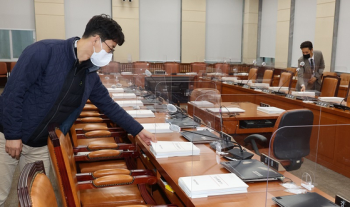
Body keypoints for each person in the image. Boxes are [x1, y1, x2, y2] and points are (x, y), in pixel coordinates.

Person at [0, 14, 156, 206]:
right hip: (7, 134)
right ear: (96, 39)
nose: (110, 54)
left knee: (34, 198)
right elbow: (13, 93)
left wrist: (138, 130)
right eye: (110, 48)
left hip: (40, 145)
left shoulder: (89, 74)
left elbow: (108, 105)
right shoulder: (44, 51)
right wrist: (13, 134)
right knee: (1, 194)